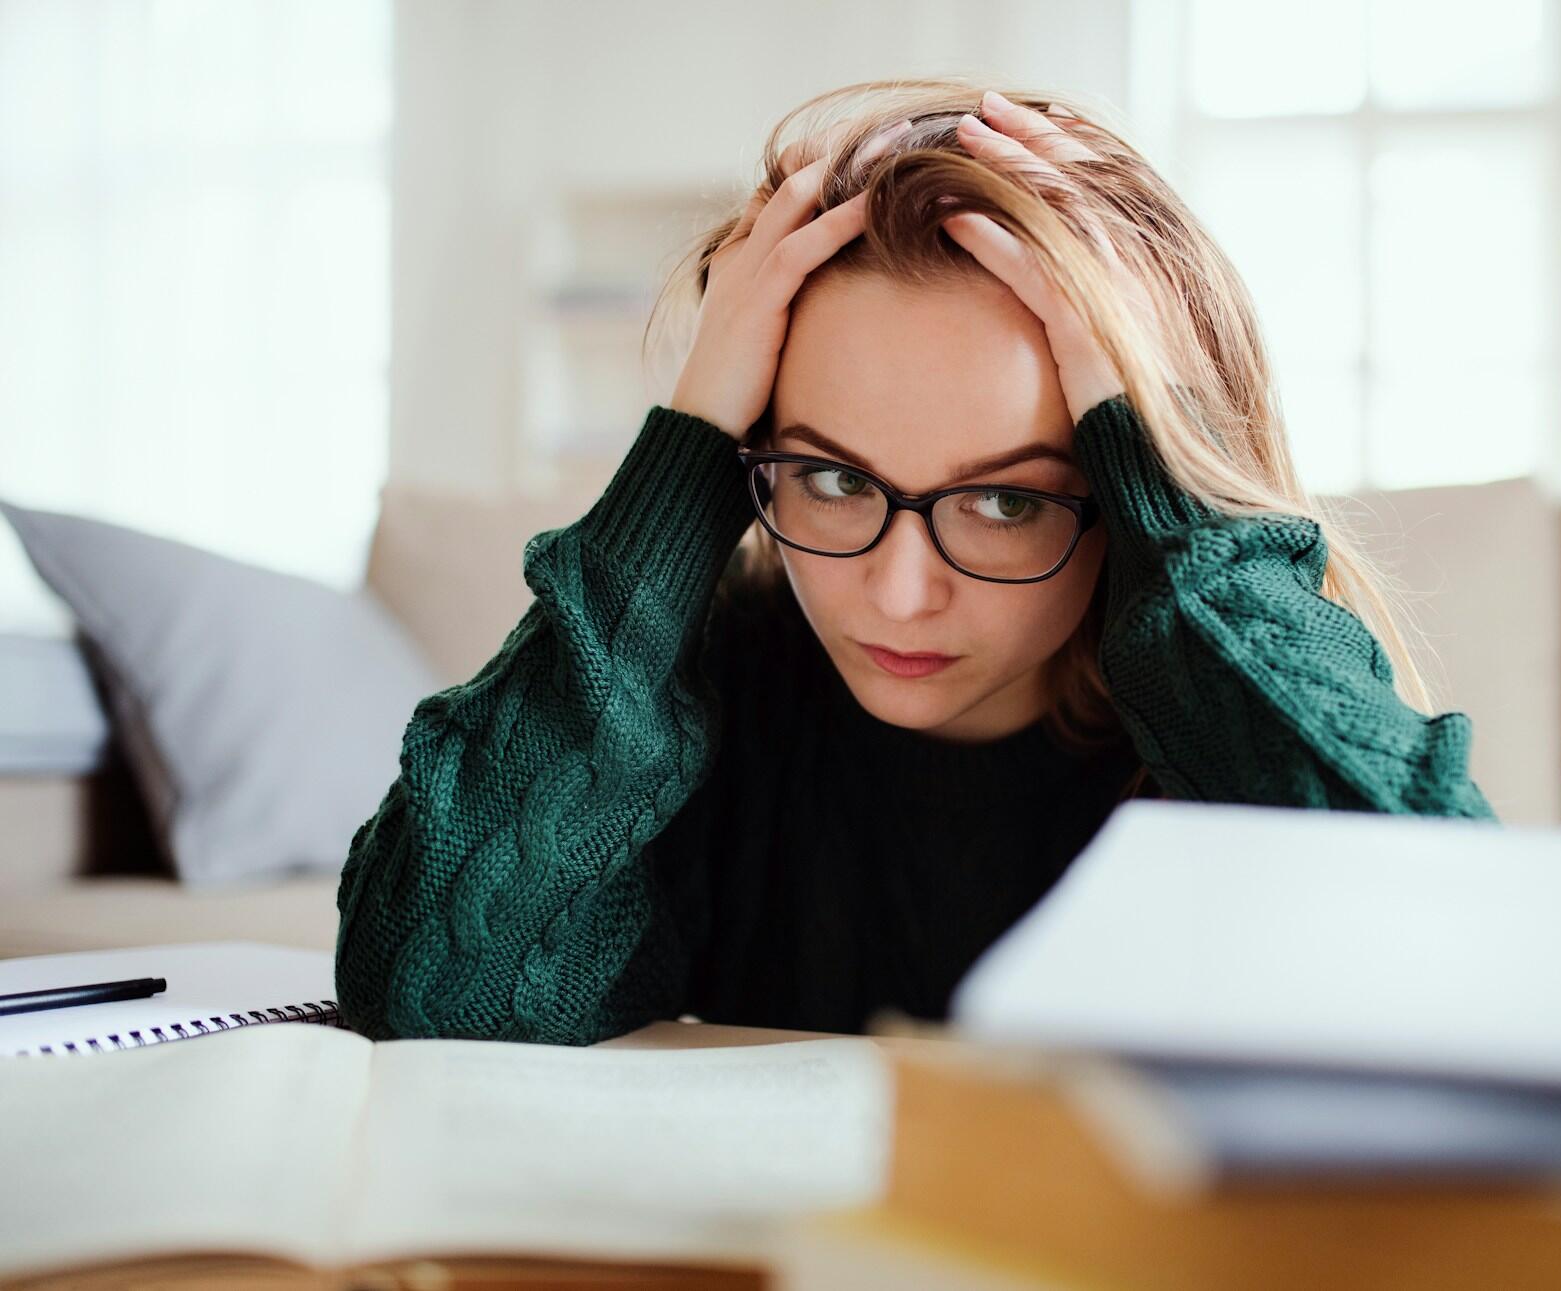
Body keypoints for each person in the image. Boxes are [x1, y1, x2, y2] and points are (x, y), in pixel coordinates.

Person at [333, 79, 1499, 1046]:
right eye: (833, 478)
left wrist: (1182, 482)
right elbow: (429, 985)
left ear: (1130, 485)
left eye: (1005, 500)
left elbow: (1466, 970)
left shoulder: (1213, 740)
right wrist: (684, 450)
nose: (897, 593)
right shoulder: (697, 712)